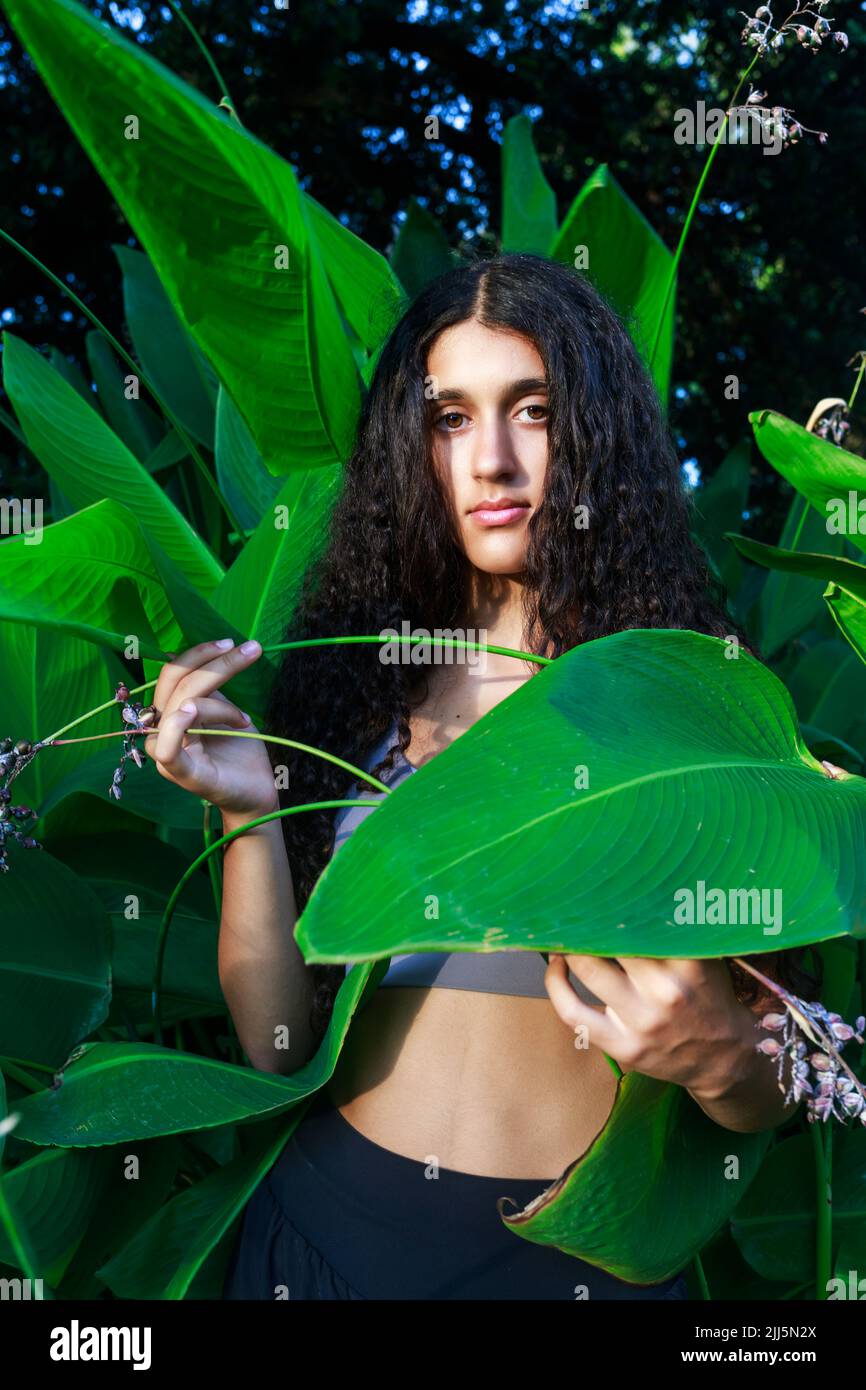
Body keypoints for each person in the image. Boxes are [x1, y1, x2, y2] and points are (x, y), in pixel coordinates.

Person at [144, 253, 818, 1300]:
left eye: (533, 409)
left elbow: (774, 1087)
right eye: (449, 416)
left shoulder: (695, 700)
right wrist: (247, 810)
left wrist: (721, 1057)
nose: (490, 459)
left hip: (577, 1270)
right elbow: (277, 1047)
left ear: (598, 435)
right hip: (325, 1236)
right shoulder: (350, 693)